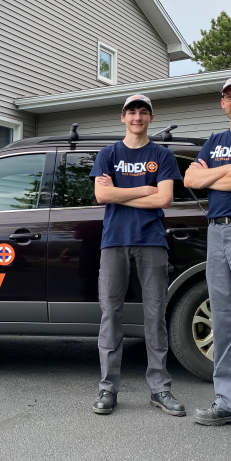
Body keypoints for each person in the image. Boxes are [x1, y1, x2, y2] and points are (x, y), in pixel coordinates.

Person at [89, 94, 185, 416]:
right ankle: (107, 389)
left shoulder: (162, 155)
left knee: (155, 315)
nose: (137, 117)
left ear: (151, 119)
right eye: (132, 112)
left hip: (151, 241)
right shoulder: (108, 154)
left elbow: (165, 199)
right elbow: (101, 194)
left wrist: (121, 194)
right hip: (114, 242)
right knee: (110, 315)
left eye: (143, 112)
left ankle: (160, 389)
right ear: (123, 117)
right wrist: (144, 190)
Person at [184, 78, 231, 427]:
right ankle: (226, 401)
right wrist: (224, 172)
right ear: (223, 103)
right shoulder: (214, 141)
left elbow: (203, 179)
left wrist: (208, 175)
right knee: (223, 318)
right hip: (217, 230)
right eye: (229, 95)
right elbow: (189, 180)